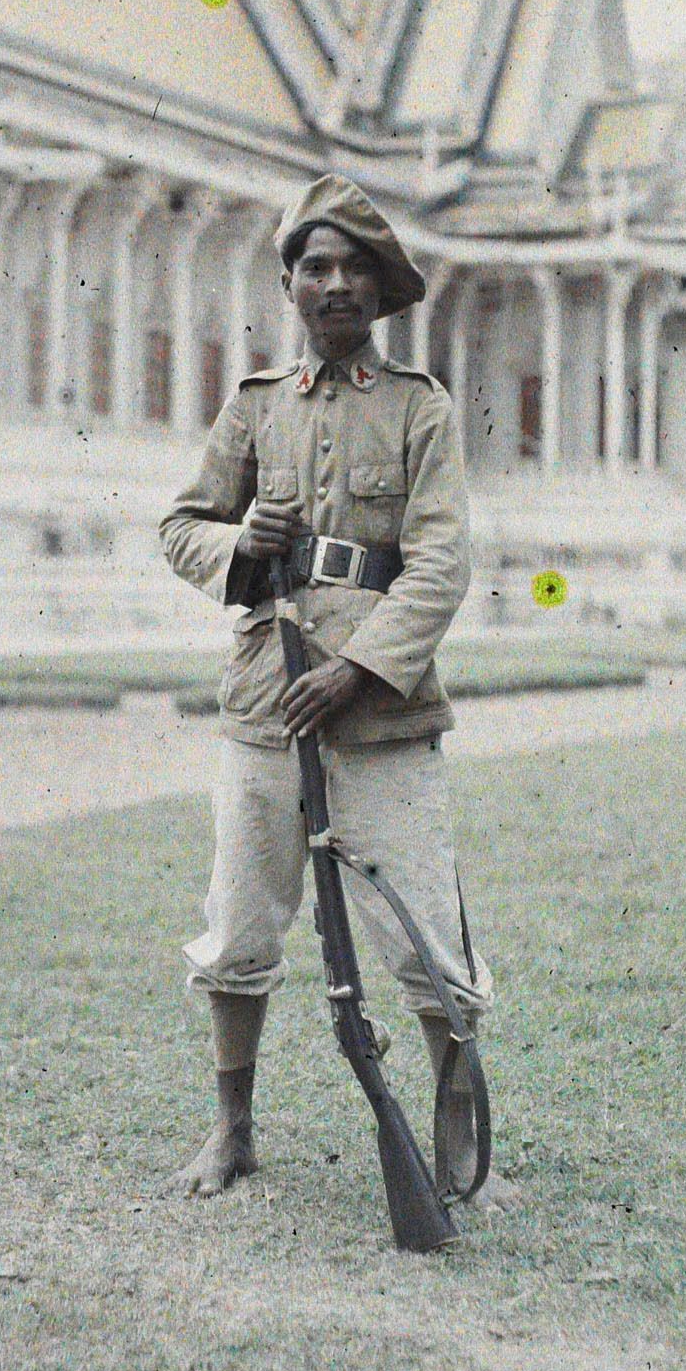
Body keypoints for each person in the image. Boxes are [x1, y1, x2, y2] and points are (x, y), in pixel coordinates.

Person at [158, 172, 515, 1209]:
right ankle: (231, 1130)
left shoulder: (418, 409)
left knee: (425, 935)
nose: (335, 283)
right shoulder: (254, 407)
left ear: (382, 289)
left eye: (356, 266)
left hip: (381, 711)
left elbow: (441, 562)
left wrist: (358, 668)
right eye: (315, 266)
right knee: (237, 925)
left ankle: (455, 1142)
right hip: (266, 702)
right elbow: (179, 525)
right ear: (289, 285)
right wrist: (242, 542)